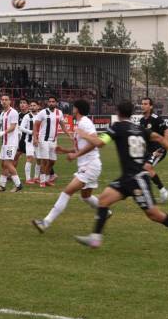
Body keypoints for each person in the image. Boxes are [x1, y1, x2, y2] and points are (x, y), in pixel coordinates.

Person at [71, 100, 168, 253]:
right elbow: (161, 139)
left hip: (138, 179)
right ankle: (95, 238)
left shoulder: (117, 127)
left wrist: (83, 134)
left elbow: (99, 143)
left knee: (154, 214)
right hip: (126, 179)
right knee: (103, 200)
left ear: (118, 113)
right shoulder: (139, 128)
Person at [32, 99, 107, 233]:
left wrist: (75, 155)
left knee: (66, 192)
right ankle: (105, 211)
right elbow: (81, 146)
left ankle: (45, 222)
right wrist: (65, 150)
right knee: (86, 196)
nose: (72, 110)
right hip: (89, 165)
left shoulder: (85, 123)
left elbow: (95, 142)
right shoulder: (80, 123)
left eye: (74, 108)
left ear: (77, 109)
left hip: (90, 165)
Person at [138, 97, 168, 202]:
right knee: (140, 170)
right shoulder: (142, 121)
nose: (143, 106)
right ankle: (148, 192)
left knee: (147, 167)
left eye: (146, 104)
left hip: (158, 150)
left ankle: (163, 191)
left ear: (151, 106)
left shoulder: (156, 118)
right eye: (142, 104)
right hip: (148, 151)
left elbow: (167, 131)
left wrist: (164, 146)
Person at [32, 96, 67, 187]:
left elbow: (63, 125)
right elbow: (36, 125)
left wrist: (69, 134)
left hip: (54, 140)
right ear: (47, 103)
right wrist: (35, 138)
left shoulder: (59, 112)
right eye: (50, 101)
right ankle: (42, 181)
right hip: (44, 140)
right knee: (45, 161)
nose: (51, 103)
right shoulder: (42, 112)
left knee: (52, 161)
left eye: (53, 101)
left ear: (56, 103)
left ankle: (47, 179)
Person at [0, 93, 23, 193]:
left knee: (8, 163)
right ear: (0, 101)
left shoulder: (13, 112)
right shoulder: (3, 113)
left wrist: (1, 133)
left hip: (11, 142)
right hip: (5, 142)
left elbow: (13, 127)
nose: (4, 101)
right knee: (3, 164)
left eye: (6, 99)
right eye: (2, 100)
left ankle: (18, 185)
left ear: (10, 101)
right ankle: (2, 185)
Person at [21, 100, 39, 185]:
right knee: (30, 158)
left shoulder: (40, 116)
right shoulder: (27, 116)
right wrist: (31, 132)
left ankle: (36, 177)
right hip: (29, 141)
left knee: (39, 160)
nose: (32, 107)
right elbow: (21, 128)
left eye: (34, 105)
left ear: (38, 106)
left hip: (39, 141)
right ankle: (28, 179)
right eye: (31, 105)